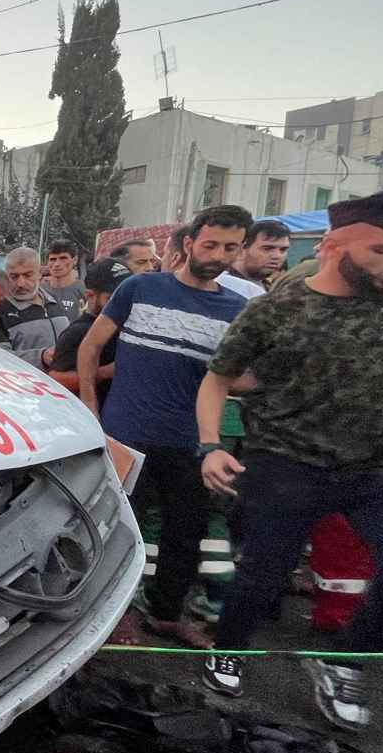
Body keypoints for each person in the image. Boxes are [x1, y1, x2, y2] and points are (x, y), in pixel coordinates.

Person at [196, 189, 383, 731]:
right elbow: (217, 377)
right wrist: (211, 446)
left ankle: (344, 659)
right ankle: (229, 646)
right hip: (285, 462)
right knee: (262, 575)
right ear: (333, 245)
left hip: (381, 467)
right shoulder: (277, 307)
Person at [79, 205, 253, 648]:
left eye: (230, 247)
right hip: (125, 435)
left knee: (186, 531)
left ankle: (165, 614)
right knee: (115, 528)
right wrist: (89, 406)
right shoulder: (140, 287)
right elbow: (91, 346)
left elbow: (240, 378)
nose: (218, 254)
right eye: (210, 243)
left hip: (190, 441)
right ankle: (111, 617)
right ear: (189, 244)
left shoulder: (239, 309)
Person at [47, 259, 133, 403]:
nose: (122, 303)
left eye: (127, 296)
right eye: (112, 298)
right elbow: (56, 380)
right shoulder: (78, 332)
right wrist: (106, 372)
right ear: (90, 295)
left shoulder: (128, 325)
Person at [0, 247, 71, 370]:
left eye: (27, 275)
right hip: (23, 386)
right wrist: (41, 357)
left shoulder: (54, 301)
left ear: (39, 273)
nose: (20, 283)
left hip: (62, 385)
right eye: (14, 277)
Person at [217, 220, 290, 299]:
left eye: (283, 250)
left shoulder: (274, 289)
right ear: (242, 248)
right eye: (267, 248)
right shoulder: (221, 285)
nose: (277, 256)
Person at [43, 240, 85, 319]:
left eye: (63, 258)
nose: (57, 264)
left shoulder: (84, 290)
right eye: (53, 259)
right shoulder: (40, 291)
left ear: (75, 260)